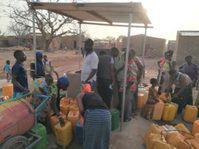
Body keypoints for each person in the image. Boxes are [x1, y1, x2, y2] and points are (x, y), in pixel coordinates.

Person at [111, 47, 125, 112]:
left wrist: (117, 71)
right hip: (118, 78)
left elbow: (124, 65)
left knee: (122, 94)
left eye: (113, 54)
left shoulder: (123, 55)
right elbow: (114, 67)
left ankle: (122, 109)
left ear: (116, 51)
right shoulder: (114, 57)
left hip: (124, 78)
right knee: (119, 93)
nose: (112, 55)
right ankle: (120, 107)